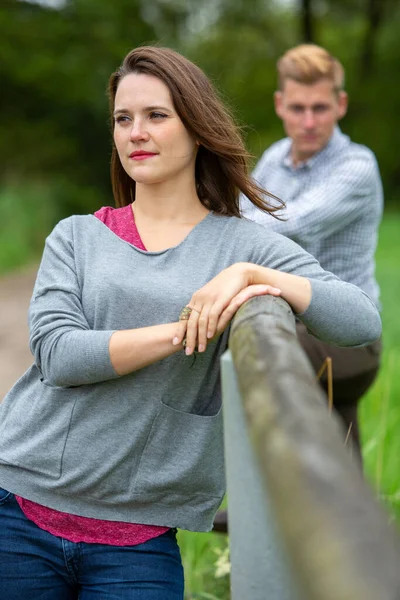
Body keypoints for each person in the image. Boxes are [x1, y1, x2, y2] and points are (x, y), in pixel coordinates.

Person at [0, 46, 381, 599]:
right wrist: (187, 328)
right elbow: (60, 355)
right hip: (20, 513)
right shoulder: (77, 236)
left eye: (157, 116)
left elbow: (359, 320)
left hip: (141, 543)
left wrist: (250, 275)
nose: (136, 132)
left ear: (197, 128)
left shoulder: (244, 245)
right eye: (123, 119)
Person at [240, 44, 383, 457]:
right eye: (297, 107)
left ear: (340, 105)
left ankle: (258, 503)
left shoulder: (356, 166)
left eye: (319, 108)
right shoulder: (273, 158)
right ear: (279, 104)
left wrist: (209, 226)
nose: (308, 122)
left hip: (348, 338)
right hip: (300, 323)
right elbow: (243, 215)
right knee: (341, 460)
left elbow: (294, 224)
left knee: (254, 345)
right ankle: (295, 514)